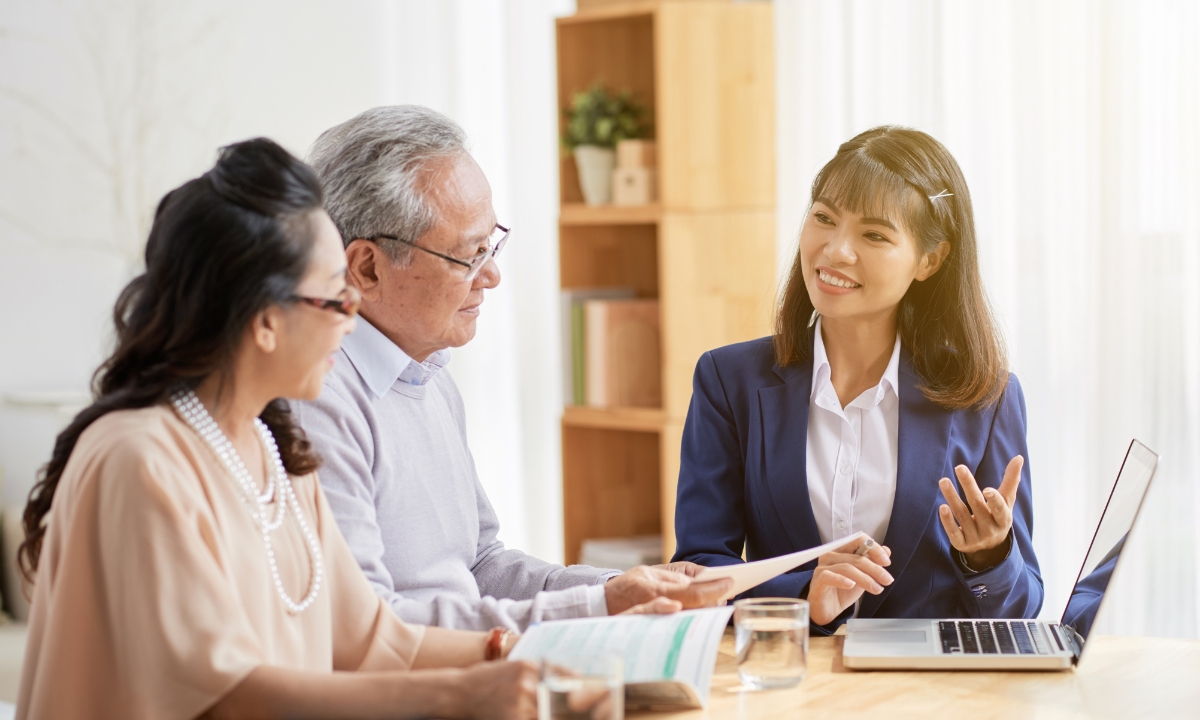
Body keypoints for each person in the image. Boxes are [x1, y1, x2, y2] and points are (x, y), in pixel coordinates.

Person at [17, 139, 675, 720]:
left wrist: (521, 653)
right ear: (263, 319)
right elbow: (228, 698)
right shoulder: (140, 459)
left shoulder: (272, 452)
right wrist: (460, 696)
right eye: (334, 297)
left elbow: (371, 640)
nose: (352, 316)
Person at [293, 105, 729, 632]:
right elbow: (368, 627)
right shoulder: (314, 399)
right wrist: (596, 609)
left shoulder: (429, 375)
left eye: (491, 243)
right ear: (366, 267)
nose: (492, 275)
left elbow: (480, 565)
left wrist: (615, 589)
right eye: (468, 256)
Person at [671, 126, 1043, 633]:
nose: (836, 251)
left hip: (927, 696)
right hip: (791, 685)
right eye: (823, 218)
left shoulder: (985, 397)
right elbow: (696, 571)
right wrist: (804, 594)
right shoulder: (728, 381)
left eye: (874, 235)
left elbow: (1019, 611)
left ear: (929, 260)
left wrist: (988, 556)